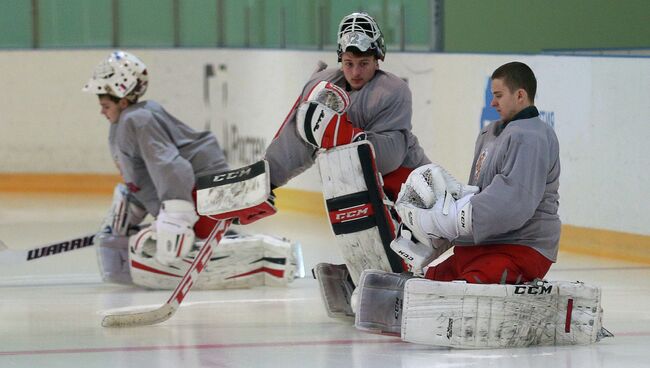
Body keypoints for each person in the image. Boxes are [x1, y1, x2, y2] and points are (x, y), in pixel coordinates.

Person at [83, 51, 301, 288]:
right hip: (194, 196)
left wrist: (176, 216)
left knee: (175, 247)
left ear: (122, 101)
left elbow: (170, 165)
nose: (101, 111)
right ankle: (229, 242)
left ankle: (270, 257)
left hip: (198, 197)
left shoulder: (136, 120)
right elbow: (144, 174)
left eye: (105, 105)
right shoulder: (127, 121)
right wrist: (135, 208)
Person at [396, 61, 560, 284]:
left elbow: (512, 205)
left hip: (520, 248)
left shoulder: (531, 137)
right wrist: (443, 234)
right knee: (429, 281)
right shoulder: (490, 133)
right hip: (487, 244)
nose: (492, 102)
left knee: (460, 290)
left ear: (520, 96)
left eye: (499, 95)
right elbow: (481, 193)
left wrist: (445, 220)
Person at [264, 12, 430, 202]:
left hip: (411, 182)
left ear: (377, 61)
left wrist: (349, 138)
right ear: (340, 60)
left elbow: (391, 157)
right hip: (360, 189)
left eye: (364, 63)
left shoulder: (393, 91)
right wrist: (268, 181)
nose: (355, 72)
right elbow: (298, 140)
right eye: (348, 63)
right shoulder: (322, 86)